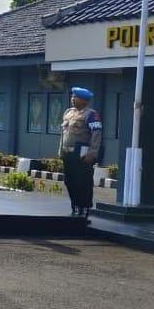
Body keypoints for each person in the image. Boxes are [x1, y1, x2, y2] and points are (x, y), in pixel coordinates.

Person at [60, 87, 103, 218]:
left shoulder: (91, 114)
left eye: (75, 97)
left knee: (83, 181)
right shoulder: (68, 112)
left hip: (82, 155)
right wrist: (60, 150)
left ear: (84, 100)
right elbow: (63, 134)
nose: (72, 99)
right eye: (72, 96)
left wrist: (92, 153)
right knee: (69, 180)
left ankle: (84, 206)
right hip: (68, 154)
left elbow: (96, 134)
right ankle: (75, 204)